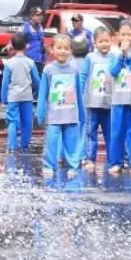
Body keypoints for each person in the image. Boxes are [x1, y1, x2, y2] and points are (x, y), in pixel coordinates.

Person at [37, 35, 85, 178]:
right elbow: (42, 93)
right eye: (59, 48)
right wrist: (40, 113)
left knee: (71, 142)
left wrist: (81, 113)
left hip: (70, 114)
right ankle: (49, 165)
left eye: (66, 48)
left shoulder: (74, 69)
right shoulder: (48, 70)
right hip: (53, 115)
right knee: (52, 142)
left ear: (71, 50)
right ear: (52, 49)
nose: (62, 51)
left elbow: (78, 93)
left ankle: (73, 166)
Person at [108, 20, 131, 174]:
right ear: (118, 36)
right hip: (118, 100)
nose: (126, 37)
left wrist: (128, 56)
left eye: (129, 34)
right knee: (116, 132)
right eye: (123, 34)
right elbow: (114, 72)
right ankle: (116, 162)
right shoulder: (113, 53)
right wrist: (122, 55)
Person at [83, 27, 116, 170]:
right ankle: (90, 158)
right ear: (95, 42)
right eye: (101, 41)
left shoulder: (115, 57)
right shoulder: (90, 58)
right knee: (91, 131)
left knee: (111, 132)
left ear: (111, 41)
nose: (104, 44)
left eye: (107, 41)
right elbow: (83, 76)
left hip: (110, 102)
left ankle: (113, 158)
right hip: (92, 102)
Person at [0, 32, 40, 153]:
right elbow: (37, 80)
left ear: (12, 45)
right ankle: (25, 146)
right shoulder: (30, 62)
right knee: (27, 121)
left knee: (13, 121)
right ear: (26, 46)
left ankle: (12, 147)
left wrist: (3, 99)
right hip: (27, 96)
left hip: (13, 97)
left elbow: (5, 83)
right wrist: (37, 93)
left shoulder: (9, 64)